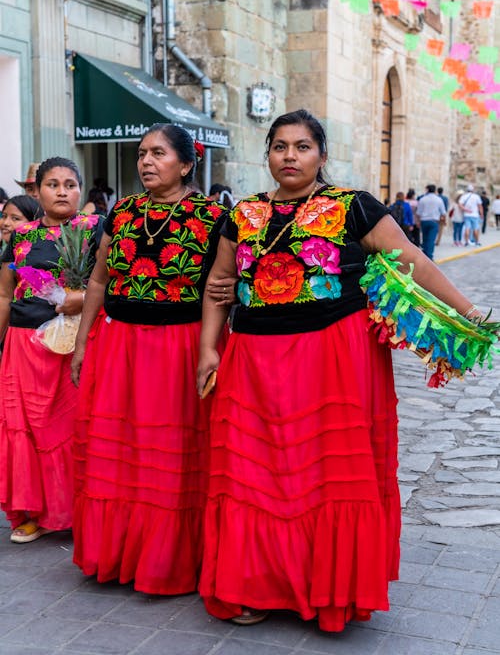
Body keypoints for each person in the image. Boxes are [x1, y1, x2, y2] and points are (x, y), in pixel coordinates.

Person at [196, 109, 481, 632]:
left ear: (321, 155)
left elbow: (412, 257)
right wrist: (208, 350)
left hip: (333, 358)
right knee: (254, 474)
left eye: (302, 147)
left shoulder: (353, 207)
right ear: (268, 155)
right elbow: (218, 284)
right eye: (280, 147)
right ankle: (255, 585)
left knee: (326, 476)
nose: (290, 156)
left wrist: (466, 309)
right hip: (253, 360)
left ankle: (330, 591)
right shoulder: (241, 214)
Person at [71, 123, 230, 595]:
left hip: (178, 346)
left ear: (185, 163)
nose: (145, 162)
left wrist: (210, 346)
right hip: (119, 345)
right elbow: (99, 280)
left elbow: (218, 288)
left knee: (173, 454)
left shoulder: (212, 216)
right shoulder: (121, 212)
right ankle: (115, 552)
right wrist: (82, 343)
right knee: (118, 449)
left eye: (157, 153)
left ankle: (169, 560)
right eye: (141, 153)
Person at [0, 157, 102, 543]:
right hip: (25, 344)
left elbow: (111, 280)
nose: (62, 191)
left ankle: (78, 511)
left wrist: (81, 300)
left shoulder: (95, 229)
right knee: (25, 428)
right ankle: (34, 512)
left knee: (71, 425)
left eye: (70, 184)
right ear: (36, 191)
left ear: (80, 190)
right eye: (53, 184)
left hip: (77, 341)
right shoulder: (22, 235)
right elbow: (6, 293)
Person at [415, 184, 446, 260]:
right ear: (435, 190)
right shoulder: (439, 199)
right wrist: (444, 220)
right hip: (434, 221)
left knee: (425, 238)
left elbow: (418, 213)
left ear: (427, 189)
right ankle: (429, 256)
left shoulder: (423, 199)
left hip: (424, 221)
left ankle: (425, 255)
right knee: (431, 239)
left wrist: (418, 222)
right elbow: (443, 212)